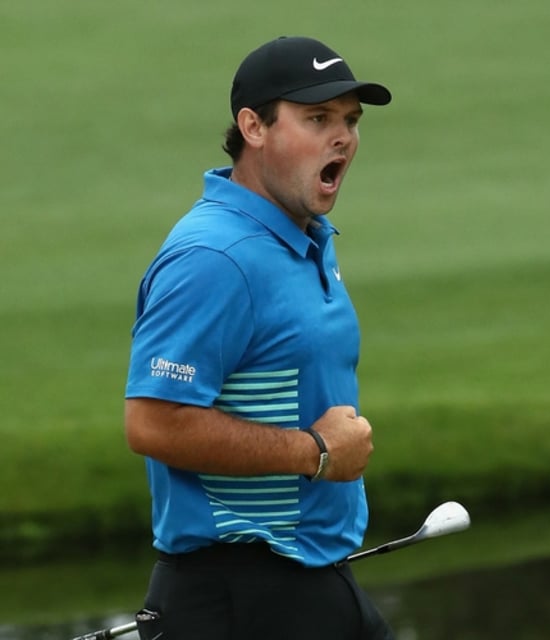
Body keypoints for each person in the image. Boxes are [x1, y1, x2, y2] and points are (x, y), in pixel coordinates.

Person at [123, 36, 393, 639]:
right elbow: (153, 422)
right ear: (254, 127)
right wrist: (315, 453)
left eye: (350, 120)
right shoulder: (217, 256)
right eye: (317, 118)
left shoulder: (303, 236)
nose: (342, 137)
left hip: (310, 583)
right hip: (237, 599)